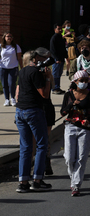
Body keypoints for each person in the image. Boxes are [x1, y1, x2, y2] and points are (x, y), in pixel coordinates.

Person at [14, 47, 52, 193]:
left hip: (20, 111)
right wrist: (47, 77)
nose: (46, 62)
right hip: (33, 111)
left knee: (25, 147)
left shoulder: (23, 70)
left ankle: (23, 182)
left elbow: (18, 92)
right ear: (37, 58)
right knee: (42, 144)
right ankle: (37, 180)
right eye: (45, 59)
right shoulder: (36, 72)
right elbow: (44, 94)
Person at [60, 70, 90, 196]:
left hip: (85, 130)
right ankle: (74, 178)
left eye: (86, 80)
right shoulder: (69, 95)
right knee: (69, 158)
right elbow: (63, 112)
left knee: (81, 158)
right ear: (75, 81)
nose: (84, 83)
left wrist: (89, 120)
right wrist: (71, 105)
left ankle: (75, 185)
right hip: (70, 127)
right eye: (81, 80)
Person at [1, 32, 23, 106]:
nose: (9, 37)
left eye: (10, 36)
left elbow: (19, 58)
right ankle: (7, 99)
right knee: (4, 84)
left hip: (13, 68)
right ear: (4, 37)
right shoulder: (1, 46)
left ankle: (12, 98)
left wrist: (22, 67)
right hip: (3, 68)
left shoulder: (16, 47)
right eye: (7, 36)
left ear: (12, 38)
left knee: (12, 84)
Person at [49, 24, 68, 94]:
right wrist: (57, 59)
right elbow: (52, 50)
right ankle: (54, 88)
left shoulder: (61, 38)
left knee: (59, 74)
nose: (60, 30)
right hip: (56, 60)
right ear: (55, 30)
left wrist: (66, 55)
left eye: (61, 29)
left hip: (61, 59)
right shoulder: (54, 38)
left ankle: (58, 87)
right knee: (55, 74)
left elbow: (63, 48)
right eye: (58, 29)